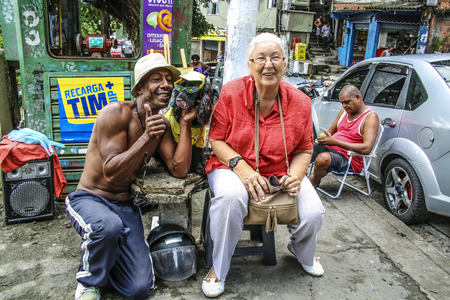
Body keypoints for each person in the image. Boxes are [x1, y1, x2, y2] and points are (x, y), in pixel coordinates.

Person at [202, 33, 325, 298]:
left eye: (275, 57)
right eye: (261, 58)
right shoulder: (231, 93)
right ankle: (218, 268)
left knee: (314, 212)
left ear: (285, 63)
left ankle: (301, 251)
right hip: (231, 166)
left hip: (280, 170)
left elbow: (305, 149)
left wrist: (295, 175)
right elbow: (216, 139)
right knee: (230, 198)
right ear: (250, 64)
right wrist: (242, 169)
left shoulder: (301, 102)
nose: (268, 64)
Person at [65, 53, 197, 300]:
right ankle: (89, 281)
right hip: (90, 199)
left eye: (169, 79)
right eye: (156, 78)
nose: (166, 84)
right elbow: (112, 172)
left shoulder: (161, 124)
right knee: (107, 227)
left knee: (139, 288)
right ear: (139, 88)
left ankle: (107, 257)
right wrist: (146, 137)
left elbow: (179, 169)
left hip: (124, 204)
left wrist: (187, 123)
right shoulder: (115, 113)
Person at [309, 85, 379, 189]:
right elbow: (330, 132)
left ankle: (314, 181)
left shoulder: (370, 118)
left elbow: (366, 149)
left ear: (358, 97)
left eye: (347, 102)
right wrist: (323, 137)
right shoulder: (344, 112)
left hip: (350, 159)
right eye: (342, 103)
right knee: (304, 148)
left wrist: (336, 142)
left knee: (322, 159)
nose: (344, 106)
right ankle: (293, 177)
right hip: (332, 150)